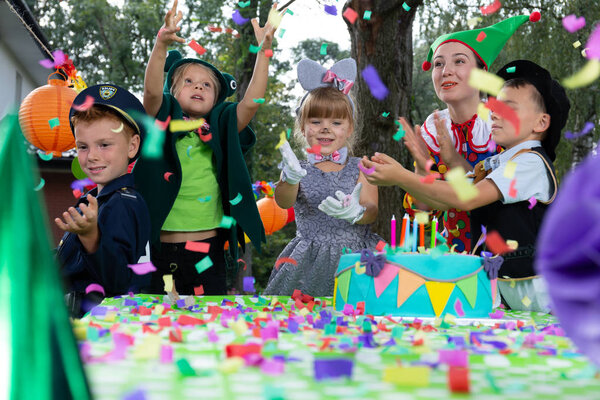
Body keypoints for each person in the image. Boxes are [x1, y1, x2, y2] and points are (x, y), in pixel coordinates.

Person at [361, 59, 570, 312]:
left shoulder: (530, 163)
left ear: (540, 123)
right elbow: (445, 199)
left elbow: (466, 198)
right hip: (510, 295)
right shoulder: (500, 164)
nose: (494, 112)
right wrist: (424, 167)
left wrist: (401, 177)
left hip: (543, 299)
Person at [135, 0, 280, 295]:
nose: (198, 87)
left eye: (207, 85)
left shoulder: (222, 123)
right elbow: (151, 91)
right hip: (161, 252)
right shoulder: (161, 118)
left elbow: (251, 102)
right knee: (156, 323)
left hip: (206, 252)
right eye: (188, 81)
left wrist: (265, 51)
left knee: (205, 324)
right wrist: (161, 44)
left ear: (216, 98)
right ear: (173, 92)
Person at [404, 14, 540, 253]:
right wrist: (422, 171)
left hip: (506, 261)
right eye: (438, 63)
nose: (446, 71)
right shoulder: (431, 130)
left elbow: (486, 200)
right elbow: (423, 214)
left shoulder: (504, 124)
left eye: (459, 61)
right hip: (452, 261)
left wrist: (453, 161)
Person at [263, 58, 382, 297]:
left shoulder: (363, 166)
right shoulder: (295, 167)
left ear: (349, 129)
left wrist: (357, 212)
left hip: (356, 260)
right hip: (307, 261)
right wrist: (291, 178)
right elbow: (283, 202)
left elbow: (372, 209)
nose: (325, 128)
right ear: (303, 127)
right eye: (316, 122)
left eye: (336, 122)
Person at [56, 84, 151, 317]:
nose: (92, 156)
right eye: (83, 147)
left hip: (99, 327)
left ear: (132, 146)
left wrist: (91, 237)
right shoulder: (96, 199)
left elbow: (119, 283)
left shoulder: (124, 202)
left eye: (104, 145)